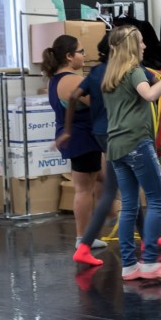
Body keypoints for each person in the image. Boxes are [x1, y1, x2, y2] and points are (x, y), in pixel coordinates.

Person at [62, 33, 161, 268]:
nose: (144, 45)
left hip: (104, 134)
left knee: (126, 192)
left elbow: (73, 96)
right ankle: (89, 244)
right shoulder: (127, 70)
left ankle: (140, 245)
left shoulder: (99, 72)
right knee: (122, 192)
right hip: (123, 135)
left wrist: (67, 129)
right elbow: (150, 90)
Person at [102, 27, 161, 282]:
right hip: (137, 143)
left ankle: (129, 265)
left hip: (116, 147)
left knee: (129, 205)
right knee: (157, 200)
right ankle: (149, 263)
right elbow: (148, 95)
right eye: (141, 41)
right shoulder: (135, 72)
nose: (145, 45)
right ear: (131, 46)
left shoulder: (111, 77)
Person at [44, 34, 103, 252]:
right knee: (83, 189)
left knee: (104, 180)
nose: (84, 56)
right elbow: (99, 103)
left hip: (80, 137)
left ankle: (94, 229)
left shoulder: (54, 79)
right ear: (69, 56)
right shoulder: (71, 80)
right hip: (81, 138)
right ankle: (83, 238)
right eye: (81, 52)